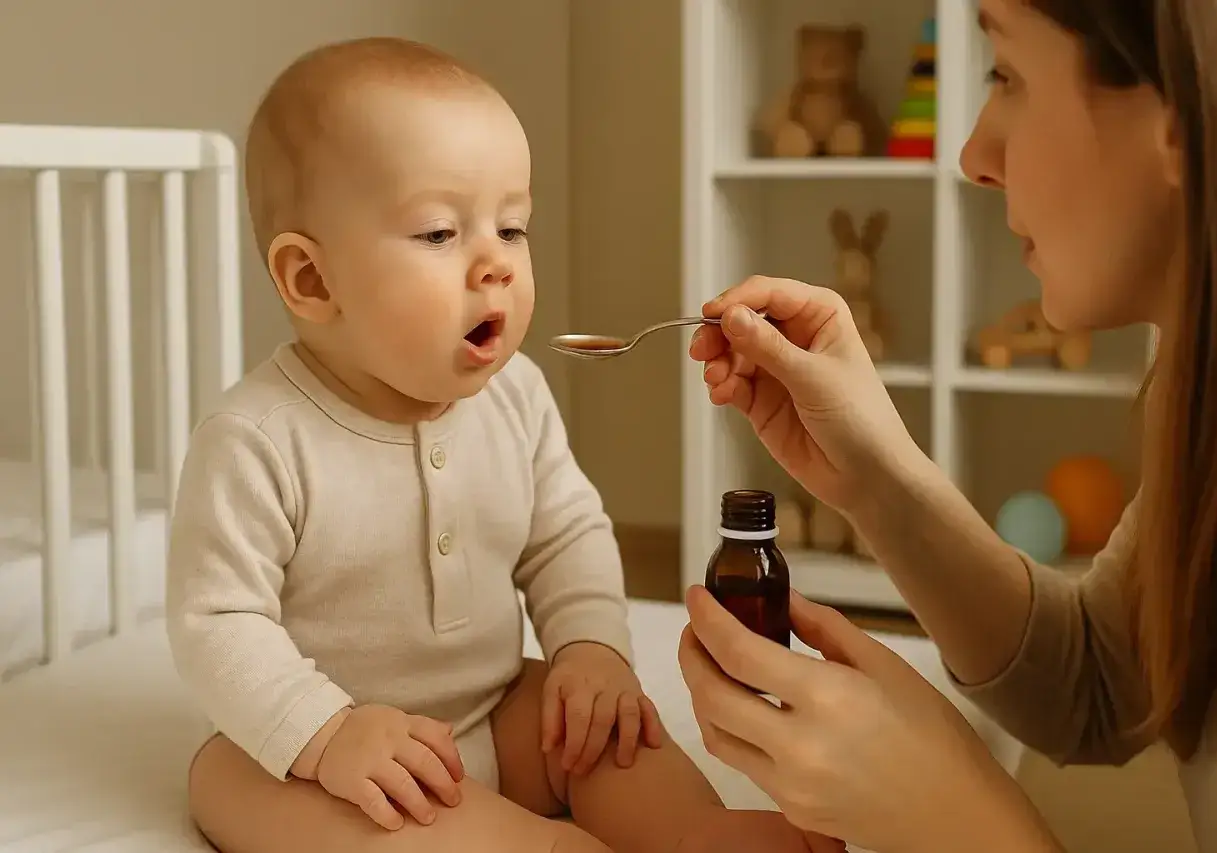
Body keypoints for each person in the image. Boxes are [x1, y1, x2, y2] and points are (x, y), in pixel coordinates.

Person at [166, 37, 840, 853]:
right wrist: (328, 734)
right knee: (232, 782)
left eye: (512, 227)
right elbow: (217, 622)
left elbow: (567, 534)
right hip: (340, 758)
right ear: (314, 281)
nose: (496, 265)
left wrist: (591, 650)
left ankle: (694, 833)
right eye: (441, 233)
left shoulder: (515, 393)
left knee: (604, 726)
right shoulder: (257, 438)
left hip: (494, 705)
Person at [678, 1, 1217, 852]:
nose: (973, 156)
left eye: (1007, 75)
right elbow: (1102, 684)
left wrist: (945, 812)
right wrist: (877, 479)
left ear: (1178, 115)